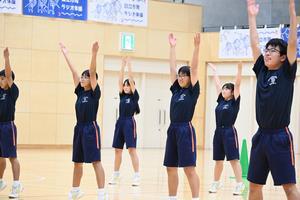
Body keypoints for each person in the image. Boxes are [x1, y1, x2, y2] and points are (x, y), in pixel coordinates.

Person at [247, 0, 300, 199]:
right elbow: (254, 43)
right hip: (261, 137)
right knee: (254, 186)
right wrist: (252, 17)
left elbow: (293, 42)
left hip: (280, 137)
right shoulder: (261, 70)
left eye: (273, 50)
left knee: (289, 187)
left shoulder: (287, 72)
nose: (267, 52)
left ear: (284, 57)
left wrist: (293, 14)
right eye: (267, 49)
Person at [59, 42, 106, 200]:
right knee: (77, 162)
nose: (83, 78)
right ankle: (75, 190)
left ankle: (102, 193)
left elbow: (92, 71)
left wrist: (94, 54)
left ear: (93, 80)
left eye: (87, 77)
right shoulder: (79, 92)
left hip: (91, 129)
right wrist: (66, 54)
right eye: (83, 76)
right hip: (79, 128)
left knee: (95, 161)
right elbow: (74, 73)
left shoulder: (94, 93)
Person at [163, 33, 200, 200]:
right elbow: (172, 68)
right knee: (170, 167)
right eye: (179, 75)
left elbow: (194, 68)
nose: (180, 77)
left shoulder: (192, 91)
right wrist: (172, 48)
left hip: (186, 129)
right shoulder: (176, 90)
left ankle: (195, 198)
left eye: (183, 75)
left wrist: (196, 47)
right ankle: (172, 197)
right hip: (173, 129)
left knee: (188, 168)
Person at [208, 62, 245, 195]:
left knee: (233, 160)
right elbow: (217, 84)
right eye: (223, 89)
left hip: (229, 132)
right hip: (218, 132)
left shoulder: (234, 101)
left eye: (226, 89)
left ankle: (240, 184)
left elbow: (238, 84)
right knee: (218, 160)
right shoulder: (221, 101)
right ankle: (216, 183)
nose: (223, 90)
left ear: (232, 91)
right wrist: (215, 71)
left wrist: (239, 69)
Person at [109, 56, 141, 186]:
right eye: (125, 85)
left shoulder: (134, 97)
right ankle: (116, 175)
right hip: (120, 122)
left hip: (129, 123)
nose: (126, 86)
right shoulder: (122, 95)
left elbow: (131, 80)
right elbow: (119, 79)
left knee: (131, 150)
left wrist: (129, 65)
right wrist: (122, 65)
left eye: (128, 85)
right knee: (117, 150)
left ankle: (137, 176)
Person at [0, 47, 22, 199]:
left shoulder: (12, 91)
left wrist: (6, 58)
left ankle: (16, 185)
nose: (1, 81)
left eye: (3, 78)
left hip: (8, 127)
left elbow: (8, 74)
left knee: (11, 157)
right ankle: (1, 181)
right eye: (0, 79)